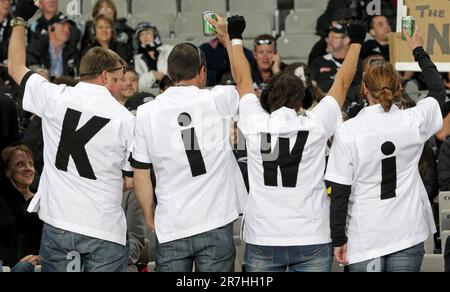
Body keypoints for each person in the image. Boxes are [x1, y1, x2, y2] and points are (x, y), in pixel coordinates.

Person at [209, 15, 366, 272]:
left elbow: (242, 81)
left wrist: (235, 38)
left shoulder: (255, 122)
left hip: (263, 236)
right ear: (302, 100)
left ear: (268, 98)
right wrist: (357, 42)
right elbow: (343, 82)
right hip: (311, 235)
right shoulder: (315, 125)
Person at [8, 0, 135, 272]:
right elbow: (131, 178)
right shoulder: (125, 118)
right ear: (103, 77)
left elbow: (16, 67)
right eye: (117, 79)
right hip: (104, 228)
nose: (120, 87)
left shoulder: (55, 97)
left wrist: (19, 20)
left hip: (60, 225)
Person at [324, 27, 448, 272]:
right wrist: (417, 48)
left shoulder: (348, 131)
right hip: (407, 231)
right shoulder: (413, 121)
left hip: (365, 234)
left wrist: (338, 238)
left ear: (364, 90)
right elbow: (438, 92)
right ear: (399, 89)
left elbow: (339, 191)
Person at [131, 42, 248, 272]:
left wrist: (149, 215)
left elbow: (141, 173)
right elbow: (244, 82)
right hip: (215, 219)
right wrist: (230, 39)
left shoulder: (146, 113)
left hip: (172, 222)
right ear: (202, 71)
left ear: (169, 72)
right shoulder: (218, 98)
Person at [0, 145, 43, 273]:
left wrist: (40, 257)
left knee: (22, 268)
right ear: (8, 171)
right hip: (2, 265)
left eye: (31, 164)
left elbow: (53, 241)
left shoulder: (44, 202)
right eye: (20, 164)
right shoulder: (2, 200)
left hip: (29, 267)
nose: (28, 168)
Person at [133, 22, 173, 93]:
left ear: (154, 35)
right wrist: (153, 75)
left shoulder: (169, 50)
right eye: (141, 35)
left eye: (148, 33)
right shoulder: (137, 59)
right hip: (149, 93)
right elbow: (138, 84)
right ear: (138, 40)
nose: (145, 37)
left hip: (170, 89)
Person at [0, 0, 12, 81]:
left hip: (7, 69)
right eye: (3, 0)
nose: (7, 3)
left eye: (8, 0)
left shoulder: (15, 25)